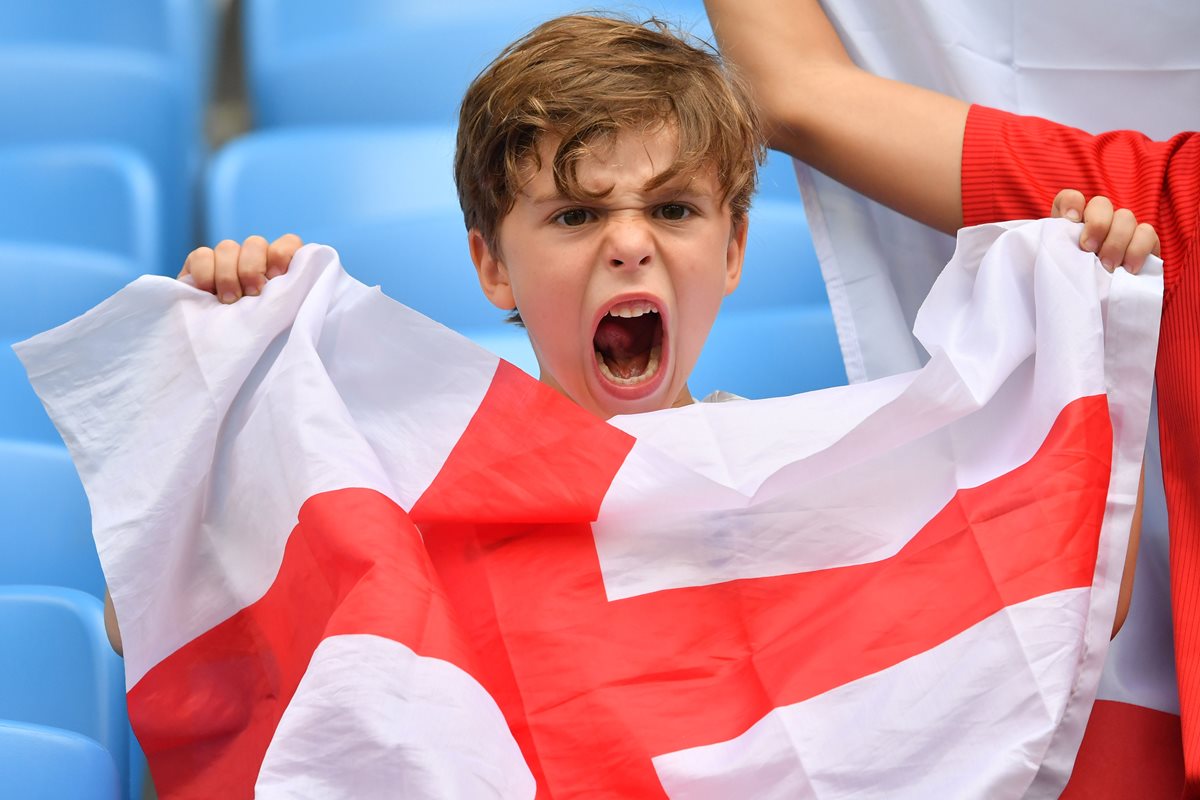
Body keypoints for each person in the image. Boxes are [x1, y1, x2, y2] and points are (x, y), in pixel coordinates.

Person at [106, 14, 1154, 656]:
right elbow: (141, 625)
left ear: (735, 249)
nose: (628, 246)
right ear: (490, 264)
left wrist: (1096, 338)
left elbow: (1064, 609)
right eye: (573, 215)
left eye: (674, 210)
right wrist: (219, 397)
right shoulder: (406, 483)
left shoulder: (808, 477)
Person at [702, 0, 1196, 793]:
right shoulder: (1175, 203)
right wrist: (1091, 330)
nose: (628, 245)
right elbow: (792, 91)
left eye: (669, 209)